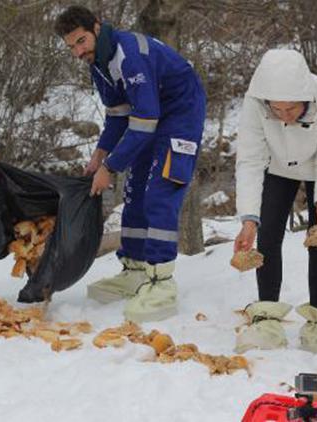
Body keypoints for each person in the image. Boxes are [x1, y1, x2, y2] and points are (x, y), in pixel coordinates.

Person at [54, 6, 206, 322]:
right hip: (147, 117)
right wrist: (100, 155)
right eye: (71, 47)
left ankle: (161, 281)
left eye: (81, 41)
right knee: (135, 191)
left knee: (160, 191)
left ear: (97, 28)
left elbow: (145, 120)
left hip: (179, 114)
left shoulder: (129, 54)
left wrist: (110, 167)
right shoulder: (97, 63)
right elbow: (119, 115)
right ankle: (136, 270)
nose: (77, 52)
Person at [233, 49, 317, 353]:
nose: (284, 117)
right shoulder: (255, 102)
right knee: (268, 234)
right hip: (277, 165)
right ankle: (267, 317)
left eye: (291, 109)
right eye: (277, 110)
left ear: (306, 99)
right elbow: (249, 159)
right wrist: (248, 217)